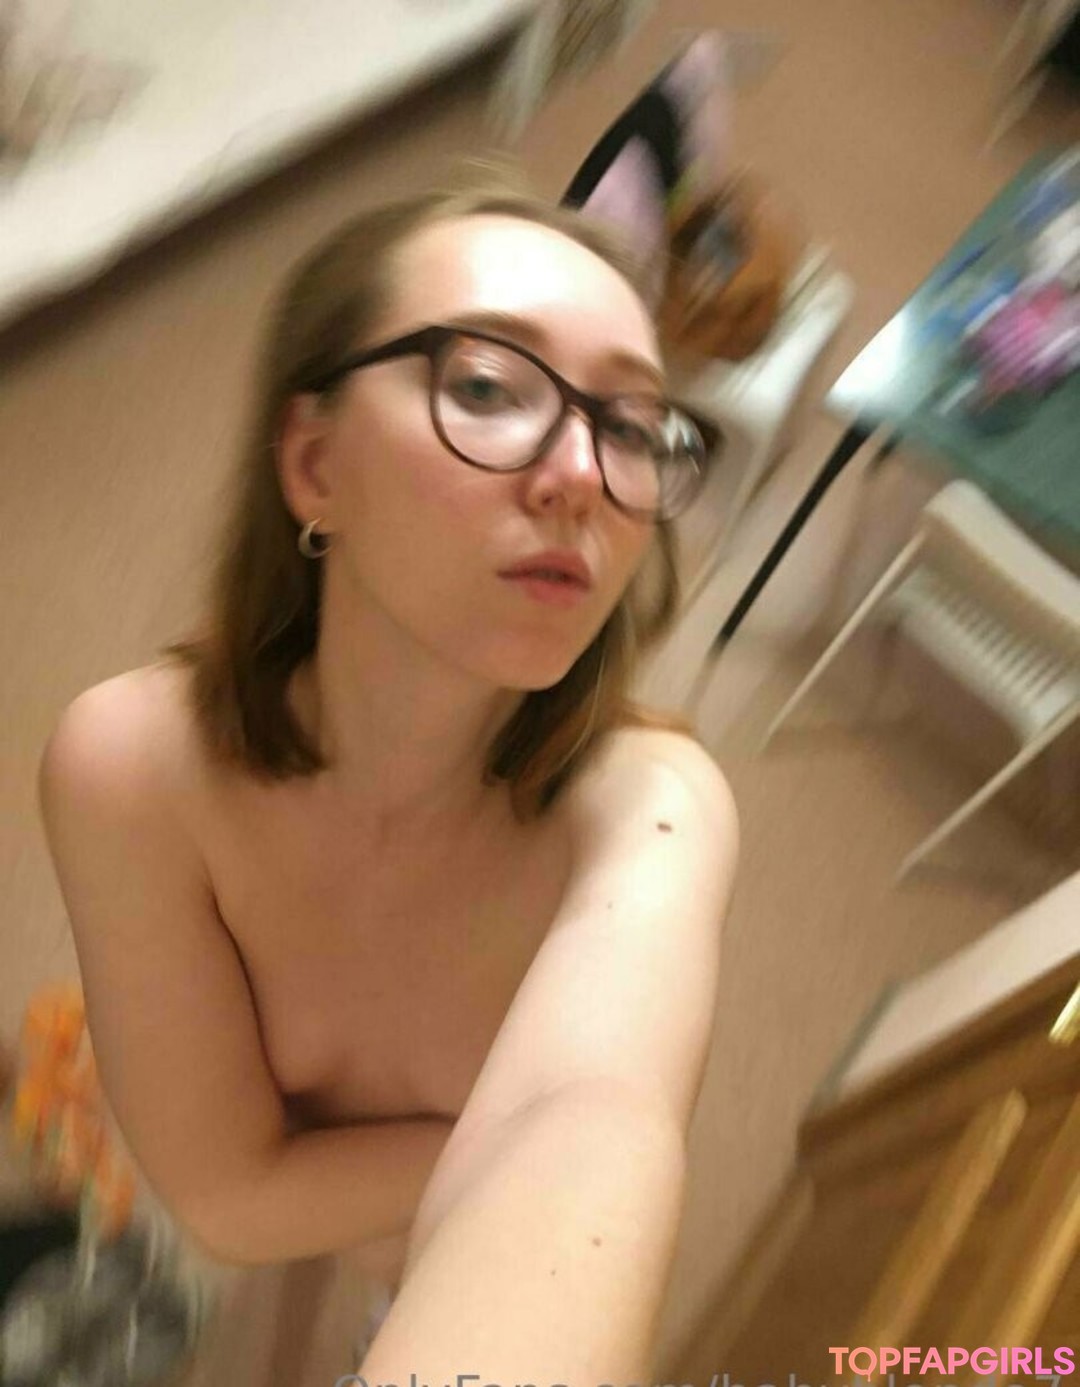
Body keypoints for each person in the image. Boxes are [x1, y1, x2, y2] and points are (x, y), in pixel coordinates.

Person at [35, 172, 739, 1381]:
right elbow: (226, 1200)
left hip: (424, 1270)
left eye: (630, 426)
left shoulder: (650, 810)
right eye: (488, 387)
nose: (582, 472)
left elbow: (589, 1119)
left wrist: (508, 1179)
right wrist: (483, 1151)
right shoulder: (134, 764)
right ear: (315, 465)